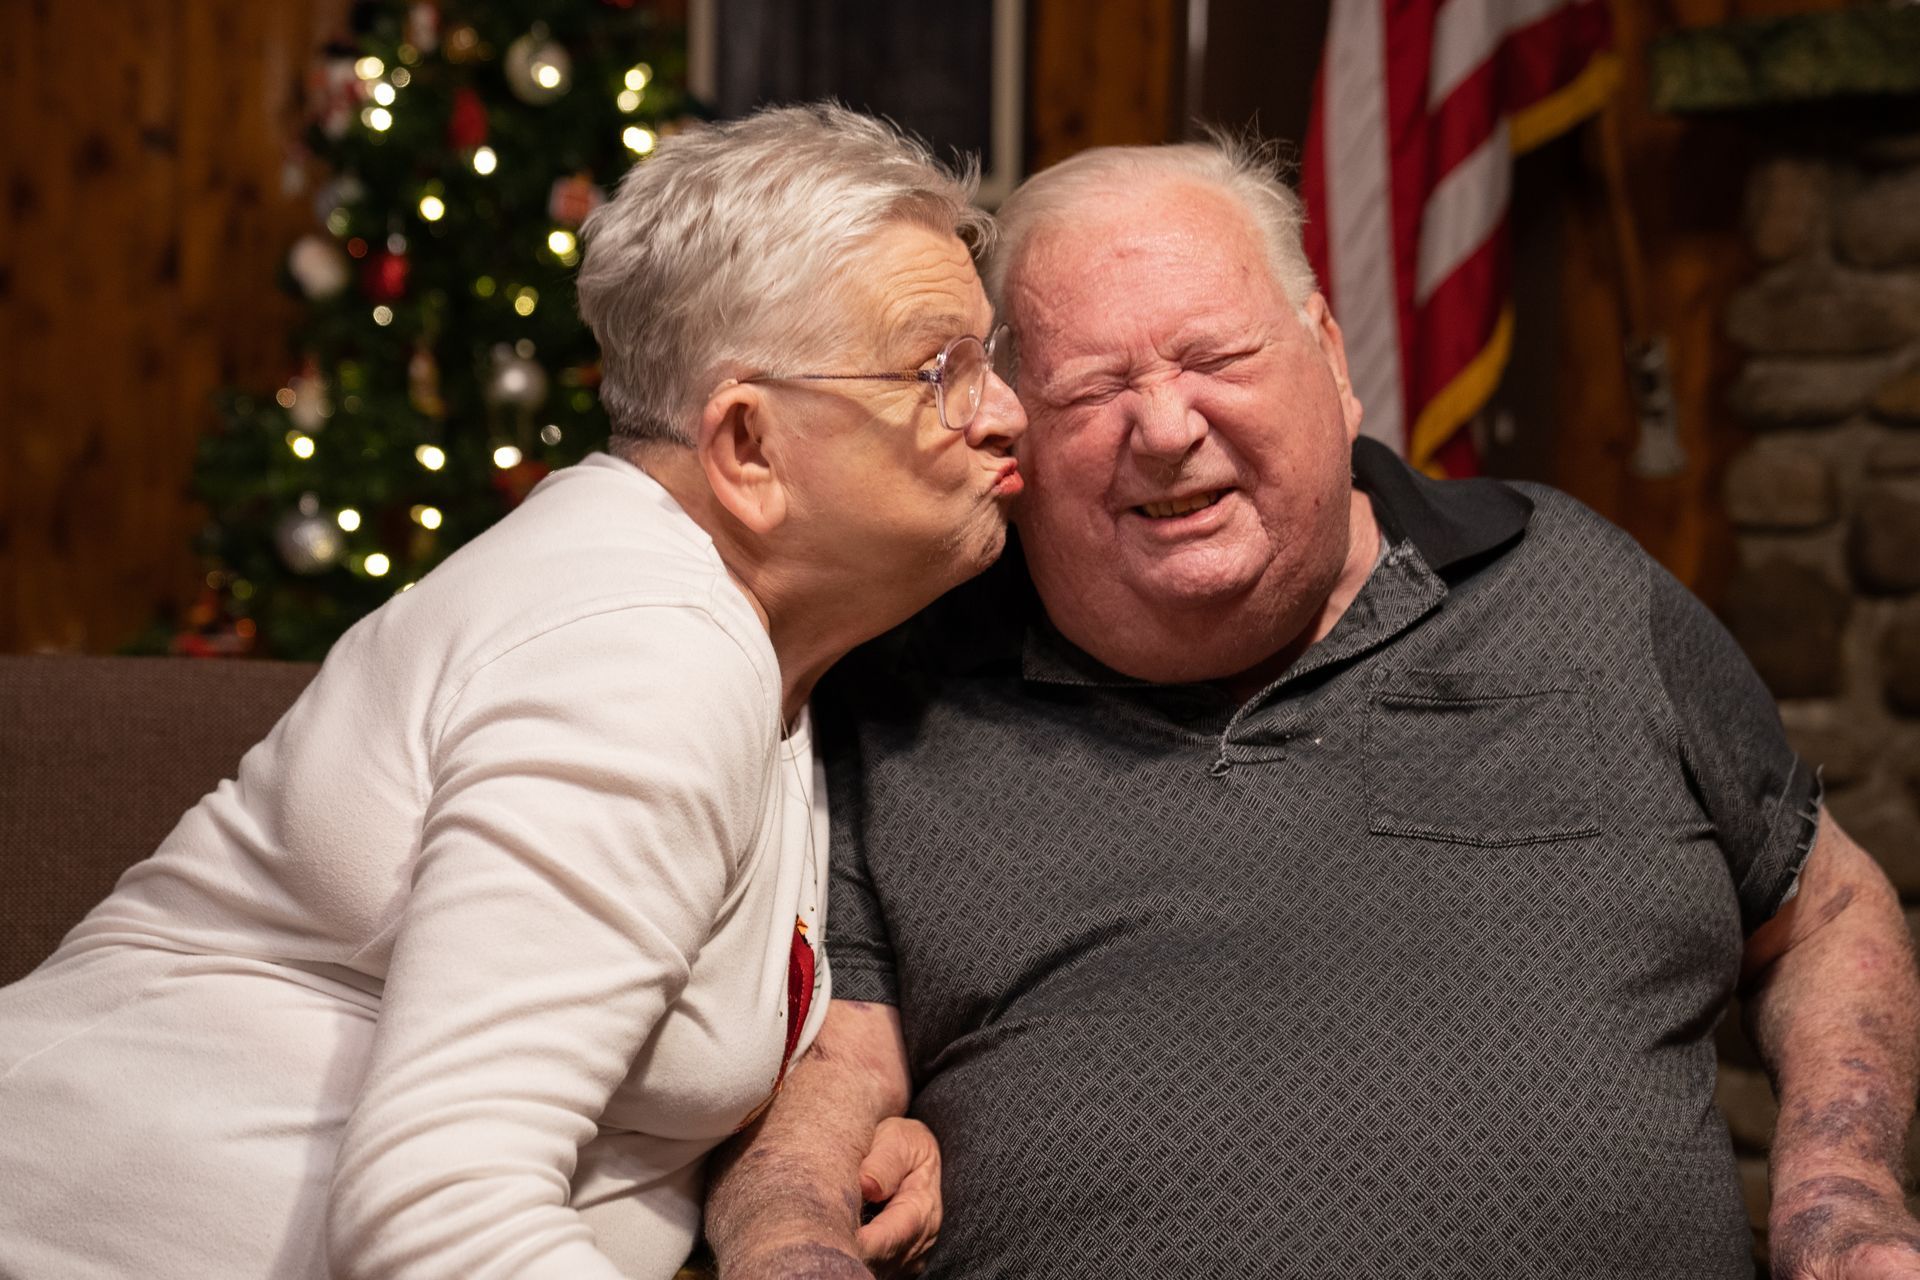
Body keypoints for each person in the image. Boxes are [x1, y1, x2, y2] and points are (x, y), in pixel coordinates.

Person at [707, 136, 1920, 1279]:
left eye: (1216, 360)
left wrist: (1842, 1192)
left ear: (1330, 357)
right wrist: (789, 1233)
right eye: (1089, 391)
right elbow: (829, 1069)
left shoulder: (1576, 586)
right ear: (1015, 432)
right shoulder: (910, 689)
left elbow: (1823, 910)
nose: (1167, 429)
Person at [0, 103, 1023, 1280]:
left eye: (988, 360)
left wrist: (817, 1134)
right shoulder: (644, 650)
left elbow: (626, 1023)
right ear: (747, 447)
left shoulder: (765, 639)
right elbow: (437, 1213)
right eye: (938, 370)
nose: (1004, 412)